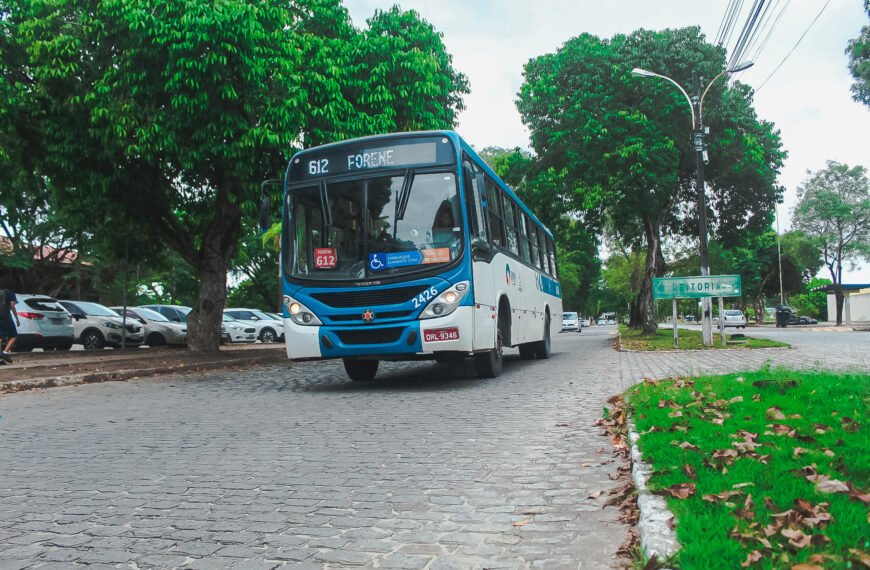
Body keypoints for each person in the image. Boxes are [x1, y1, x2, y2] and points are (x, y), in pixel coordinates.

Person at [0, 276, 20, 364]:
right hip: (5, 316)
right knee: (14, 335)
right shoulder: (10, 292)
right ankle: (5, 352)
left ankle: (0, 357)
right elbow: (12, 305)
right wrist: (16, 318)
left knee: (0, 336)